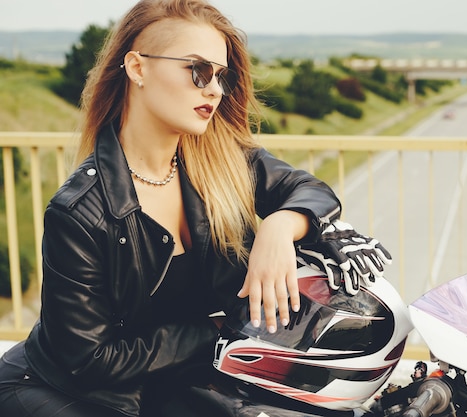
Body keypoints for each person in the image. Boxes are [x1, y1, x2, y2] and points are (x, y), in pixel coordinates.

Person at [0, 1, 391, 416]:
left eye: (221, 76)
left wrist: (279, 227)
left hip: (175, 379)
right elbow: (89, 359)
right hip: (69, 391)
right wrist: (219, 330)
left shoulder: (221, 161)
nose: (215, 89)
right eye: (198, 70)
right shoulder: (80, 212)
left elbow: (308, 189)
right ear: (137, 68)